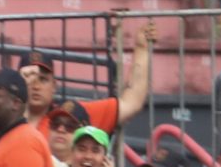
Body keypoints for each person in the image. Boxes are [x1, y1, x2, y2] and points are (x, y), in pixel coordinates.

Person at [20, 22, 153, 131]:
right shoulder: (3, 120)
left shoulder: (71, 116)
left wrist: (141, 48)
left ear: (54, 85)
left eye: (43, 79)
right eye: (29, 79)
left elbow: (131, 103)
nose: (36, 86)